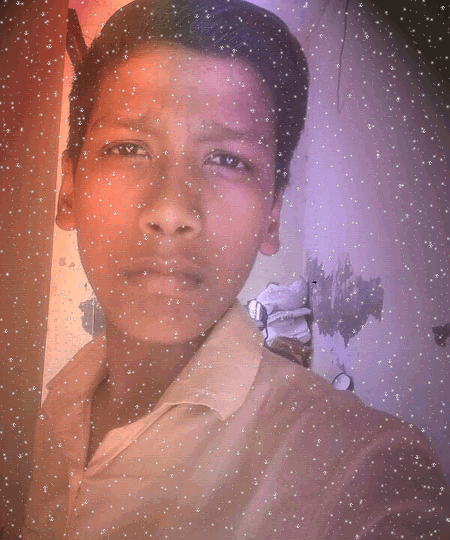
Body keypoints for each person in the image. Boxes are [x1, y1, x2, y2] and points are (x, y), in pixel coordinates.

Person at [22, 0, 450, 538]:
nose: (171, 210)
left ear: (272, 215)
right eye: (129, 147)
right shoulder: (55, 407)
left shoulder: (357, 468)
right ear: (69, 188)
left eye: (227, 159)